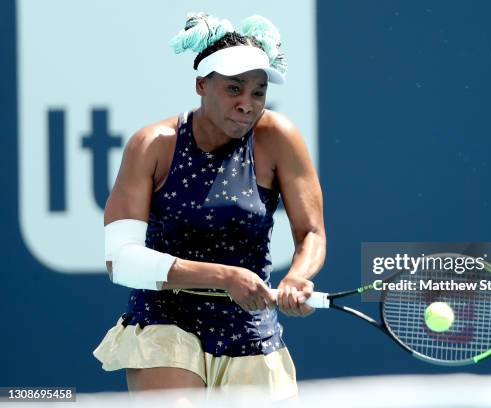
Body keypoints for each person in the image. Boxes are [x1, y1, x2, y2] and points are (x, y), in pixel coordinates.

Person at [93, 13, 325, 400]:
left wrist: (297, 277)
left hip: (251, 328)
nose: (247, 105)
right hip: (166, 320)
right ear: (201, 85)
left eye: (258, 92)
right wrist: (225, 277)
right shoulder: (152, 144)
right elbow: (121, 260)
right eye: (234, 89)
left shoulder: (279, 138)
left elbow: (311, 233)